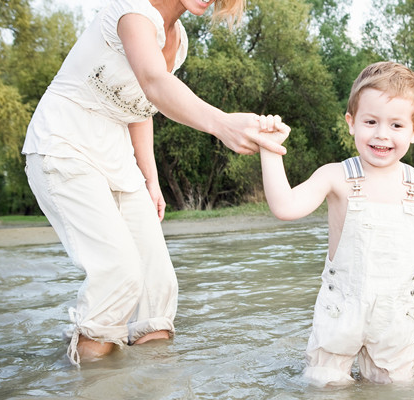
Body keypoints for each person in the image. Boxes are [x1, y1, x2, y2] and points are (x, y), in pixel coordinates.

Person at [22, 0, 287, 366]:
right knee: (119, 274)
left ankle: (150, 384)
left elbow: (142, 107)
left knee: (156, 288)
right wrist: (223, 123)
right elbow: (154, 82)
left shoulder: (177, 40)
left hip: (117, 160)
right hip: (63, 146)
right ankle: (84, 381)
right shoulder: (132, 11)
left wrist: (150, 179)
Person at [258, 61, 414, 386]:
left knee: (395, 387)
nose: (382, 134)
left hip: (396, 313)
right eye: (370, 121)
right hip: (341, 308)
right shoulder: (336, 175)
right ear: (351, 123)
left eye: (396, 125)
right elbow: (284, 207)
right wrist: (270, 149)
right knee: (325, 384)